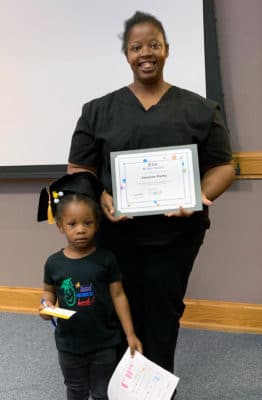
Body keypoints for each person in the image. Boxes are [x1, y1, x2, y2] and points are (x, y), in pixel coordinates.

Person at [67, 9, 235, 382]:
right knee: (116, 312)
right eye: (137, 47)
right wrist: (102, 197)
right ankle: (120, 387)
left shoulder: (200, 109)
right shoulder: (97, 111)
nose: (146, 53)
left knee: (162, 314)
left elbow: (225, 166)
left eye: (154, 45)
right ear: (126, 54)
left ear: (167, 50)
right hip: (115, 236)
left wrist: (198, 194)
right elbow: (79, 171)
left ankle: (155, 389)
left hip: (176, 237)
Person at [37, 172, 142, 400]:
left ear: (97, 224)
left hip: (104, 342)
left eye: (88, 223)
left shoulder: (106, 259)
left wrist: (130, 334)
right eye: (72, 224)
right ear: (60, 226)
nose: (80, 229)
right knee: (75, 390)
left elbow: (118, 295)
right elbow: (48, 292)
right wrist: (46, 305)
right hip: (69, 344)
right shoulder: (54, 263)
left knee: (103, 392)